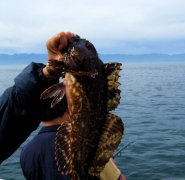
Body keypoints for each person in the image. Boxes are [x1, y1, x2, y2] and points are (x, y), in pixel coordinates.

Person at [1, 32, 126, 179]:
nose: (79, 43)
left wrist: (46, 74)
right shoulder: (86, 74)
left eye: (87, 46)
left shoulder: (27, 152)